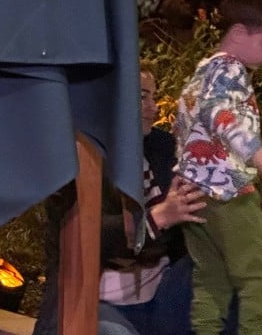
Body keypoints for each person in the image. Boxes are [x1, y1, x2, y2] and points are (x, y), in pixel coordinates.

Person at [32, 65, 217, 335]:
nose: (153, 108)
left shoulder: (163, 148)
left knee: (230, 280)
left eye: (153, 97)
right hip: (98, 301)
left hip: (160, 294)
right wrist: (159, 218)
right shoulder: (80, 156)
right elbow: (87, 236)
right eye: (143, 97)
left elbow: (184, 220)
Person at [175, 0, 262, 335]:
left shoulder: (203, 70)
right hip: (226, 191)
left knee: (212, 279)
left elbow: (187, 124)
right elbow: (219, 112)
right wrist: (256, 149)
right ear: (239, 32)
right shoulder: (231, 70)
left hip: (192, 193)